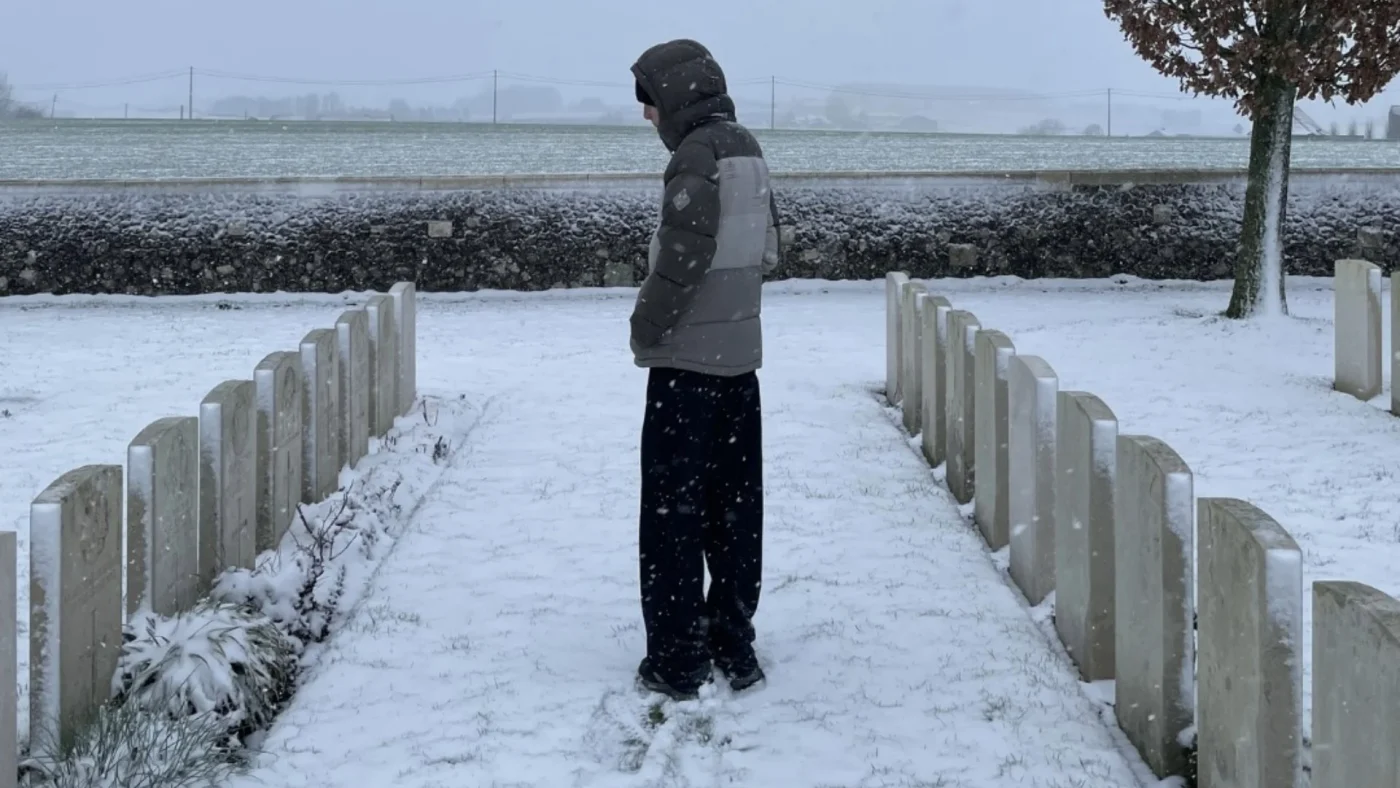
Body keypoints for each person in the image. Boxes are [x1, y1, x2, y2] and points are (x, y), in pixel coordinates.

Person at [628, 38, 784, 700]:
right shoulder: (747, 148)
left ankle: (677, 658)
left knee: (672, 513)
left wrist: (646, 328)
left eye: (649, 104)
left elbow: (683, 260)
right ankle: (733, 643)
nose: (647, 119)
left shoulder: (694, 158)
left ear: (673, 99)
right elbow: (771, 251)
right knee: (735, 508)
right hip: (739, 367)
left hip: (685, 368)